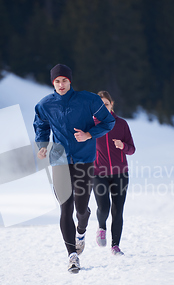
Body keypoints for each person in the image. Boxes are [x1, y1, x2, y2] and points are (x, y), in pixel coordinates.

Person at [34, 64, 115, 273]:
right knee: (65, 206)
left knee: (80, 208)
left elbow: (109, 121)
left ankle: (81, 230)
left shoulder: (89, 100)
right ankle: (72, 256)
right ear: (53, 83)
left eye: (64, 80)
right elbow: (41, 126)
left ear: (70, 81)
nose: (61, 85)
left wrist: (89, 134)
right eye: (57, 81)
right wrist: (42, 146)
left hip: (84, 158)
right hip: (59, 160)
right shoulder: (45, 105)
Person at [93, 91, 135, 256]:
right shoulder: (90, 125)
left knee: (118, 210)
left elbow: (132, 149)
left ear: (112, 104)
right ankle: (101, 227)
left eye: (106, 104)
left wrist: (122, 146)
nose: (103, 107)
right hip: (98, 173)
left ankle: (115, 246)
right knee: (104, 207)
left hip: (120, 174)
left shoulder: (122, 124)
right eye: (100, 104)